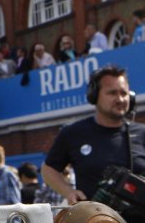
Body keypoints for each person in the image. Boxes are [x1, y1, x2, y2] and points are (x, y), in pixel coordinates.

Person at [42, 64, 145, 204]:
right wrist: (69, 192)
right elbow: (48, 169)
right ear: (94, 95)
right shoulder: (73, 133)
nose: (120, 99)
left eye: (124, 93)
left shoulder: (141, 133)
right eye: (112, 93)